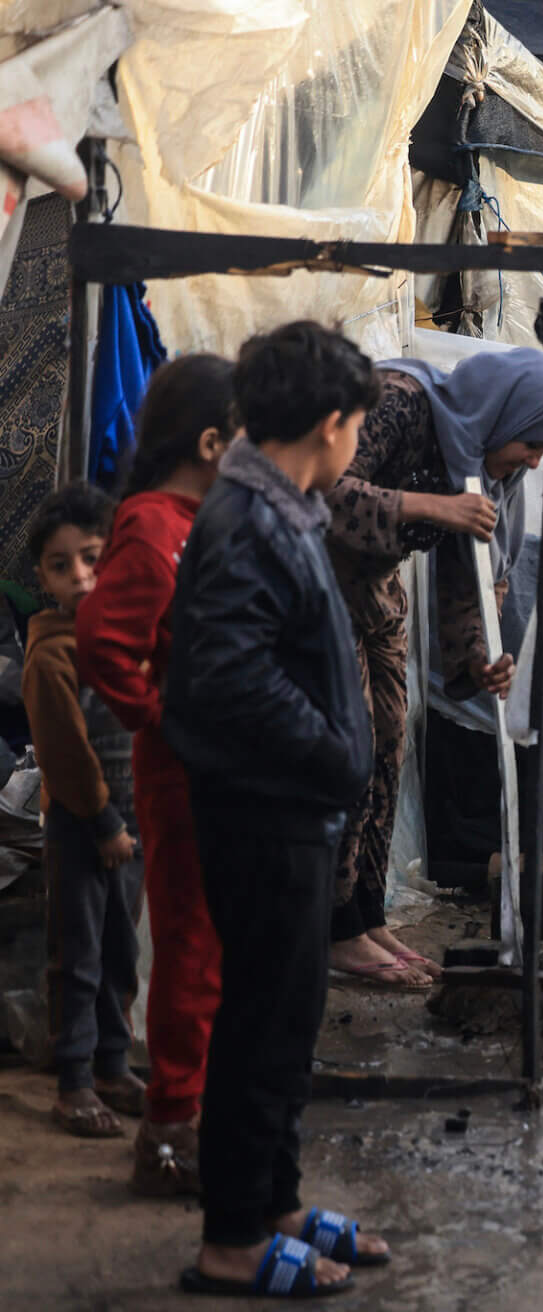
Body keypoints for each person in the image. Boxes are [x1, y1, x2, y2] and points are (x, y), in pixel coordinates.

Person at [165, 319, 382, 1298]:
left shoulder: (276, 502)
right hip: (264, 811)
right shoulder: (250, 520)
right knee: (260, 1020)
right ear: (331, 424)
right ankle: (231, 1241)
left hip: (291, 807)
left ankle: (274, 1202)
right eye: (359, 429)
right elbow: (231, 675)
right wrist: (334, 750)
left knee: (287, 1018)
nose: (359, 446)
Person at [321, 348, 543, 987]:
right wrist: (429, 507)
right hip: (322, 583)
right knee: (354, 742)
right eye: (533, 442)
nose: (534, 461)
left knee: (391, 739)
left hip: (375, 592)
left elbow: (461, 578)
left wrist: (480, 661)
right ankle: (332, 930)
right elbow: (326, 489)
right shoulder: (401, 401)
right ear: (507, 415)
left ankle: (363, 916)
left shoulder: (476, 463)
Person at [76, 353, 236, 1195]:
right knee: (190, 950)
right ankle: (171, 1131)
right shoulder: (152, 524)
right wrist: (157, 715)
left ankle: (190, 1112)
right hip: (178, 777)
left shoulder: (192, 519)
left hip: (203, 771)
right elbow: (105, 641)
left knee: (206, 947)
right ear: (212, 442)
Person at [28, 482, 143, 1141]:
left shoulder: (120, 637)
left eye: (93, 559)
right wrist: (105, 822)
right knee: (78, 952)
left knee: (121, 950)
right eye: (61, 564)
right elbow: (66, 752)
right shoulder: (52, 653)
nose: (81, 578)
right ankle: (73, 1081)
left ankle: (112, 1064)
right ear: (40, 577)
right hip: (83, 823)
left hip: (132, 824)